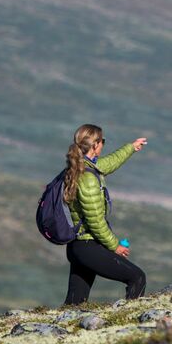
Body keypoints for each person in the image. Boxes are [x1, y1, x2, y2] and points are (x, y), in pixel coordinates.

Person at [61, 123, 150, 304]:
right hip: (88, 246)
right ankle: (128, 325)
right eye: (103, 141)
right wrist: (114, 245)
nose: (103, 144)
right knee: (137, 278)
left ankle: (58, 333)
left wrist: (131, 148)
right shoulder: (88, 179)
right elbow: (95, 221)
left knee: (75, 303)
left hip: (78, 246)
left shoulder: (82, 168)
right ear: (95, 145)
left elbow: (108, 163)